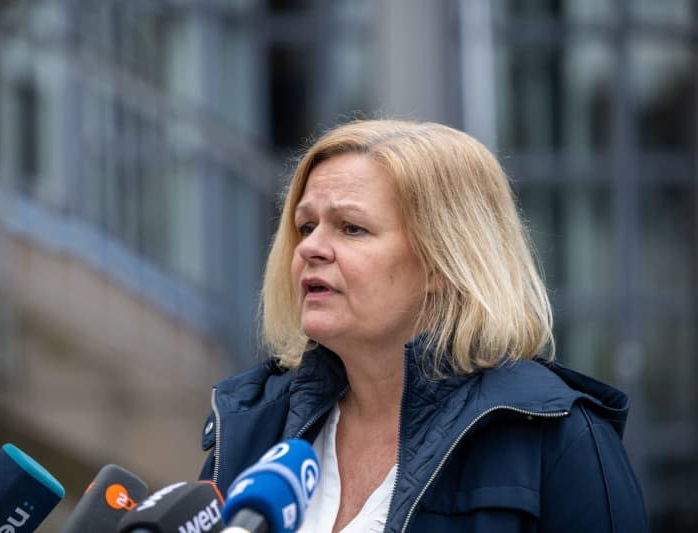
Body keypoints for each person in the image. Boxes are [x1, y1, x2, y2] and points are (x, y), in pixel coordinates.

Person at [198, 119, 647, 532]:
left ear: (442, 262)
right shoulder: (251, 422)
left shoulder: (558, 438)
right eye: (306, 225)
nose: (311, 248)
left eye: (351, 228)